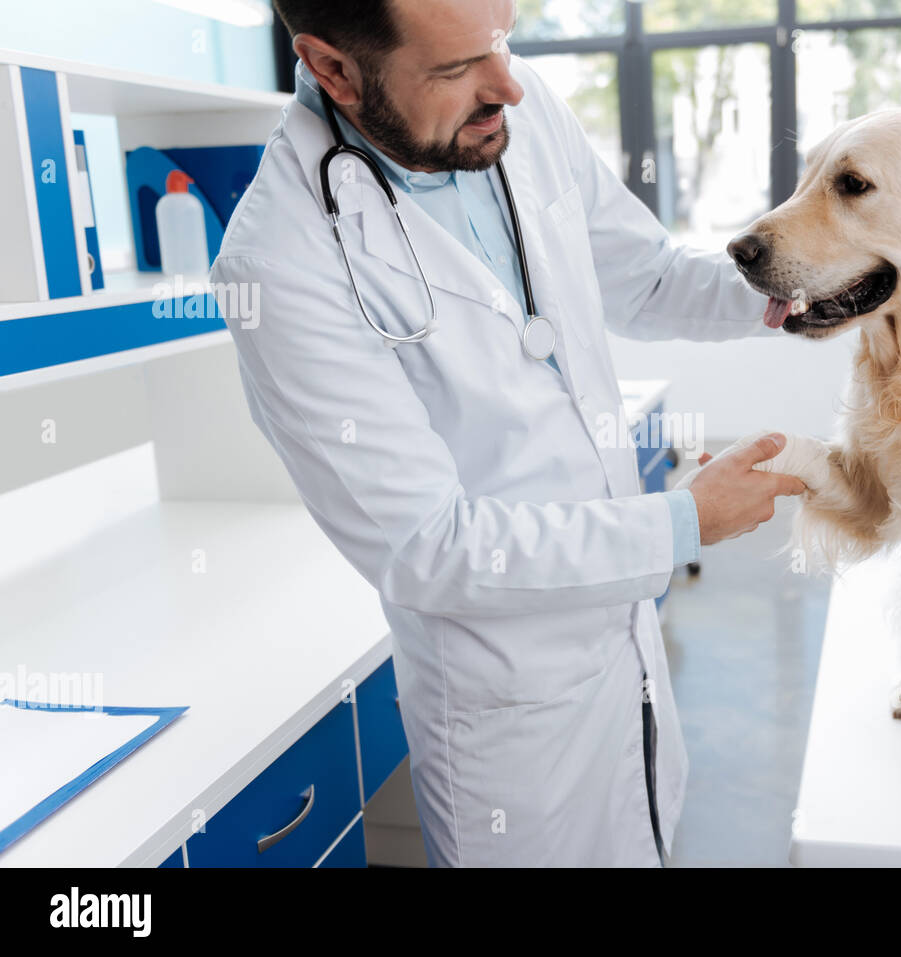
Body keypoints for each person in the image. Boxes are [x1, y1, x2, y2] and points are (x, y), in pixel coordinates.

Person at [211, 0, 805, 866]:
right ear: (335, 70)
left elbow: (647, 281)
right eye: (456, 69)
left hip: (624, 657)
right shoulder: (277, 264)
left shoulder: (509, 112)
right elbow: (429, 544)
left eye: (506, 41)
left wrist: (810, 284)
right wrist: (683, 522)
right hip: (510, 714)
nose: (509, 86)